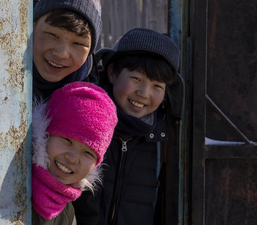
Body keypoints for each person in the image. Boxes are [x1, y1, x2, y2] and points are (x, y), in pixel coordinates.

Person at [72, 28, 184, 225]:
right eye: (136, 79)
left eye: (157, 86)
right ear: (112, 73)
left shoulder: (162, 141)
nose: (144, 93)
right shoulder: (84, 123)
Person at [31, 81, 118, 225]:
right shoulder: (12, 181)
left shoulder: (67, 214)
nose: (72, 158)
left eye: (89, 153)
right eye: (67, 140)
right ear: (44, 133)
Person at [33, 0, 102, 101]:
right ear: (33, 27)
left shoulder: (92, 100)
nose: (62, 54)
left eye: (78, 43)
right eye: (53, 35)